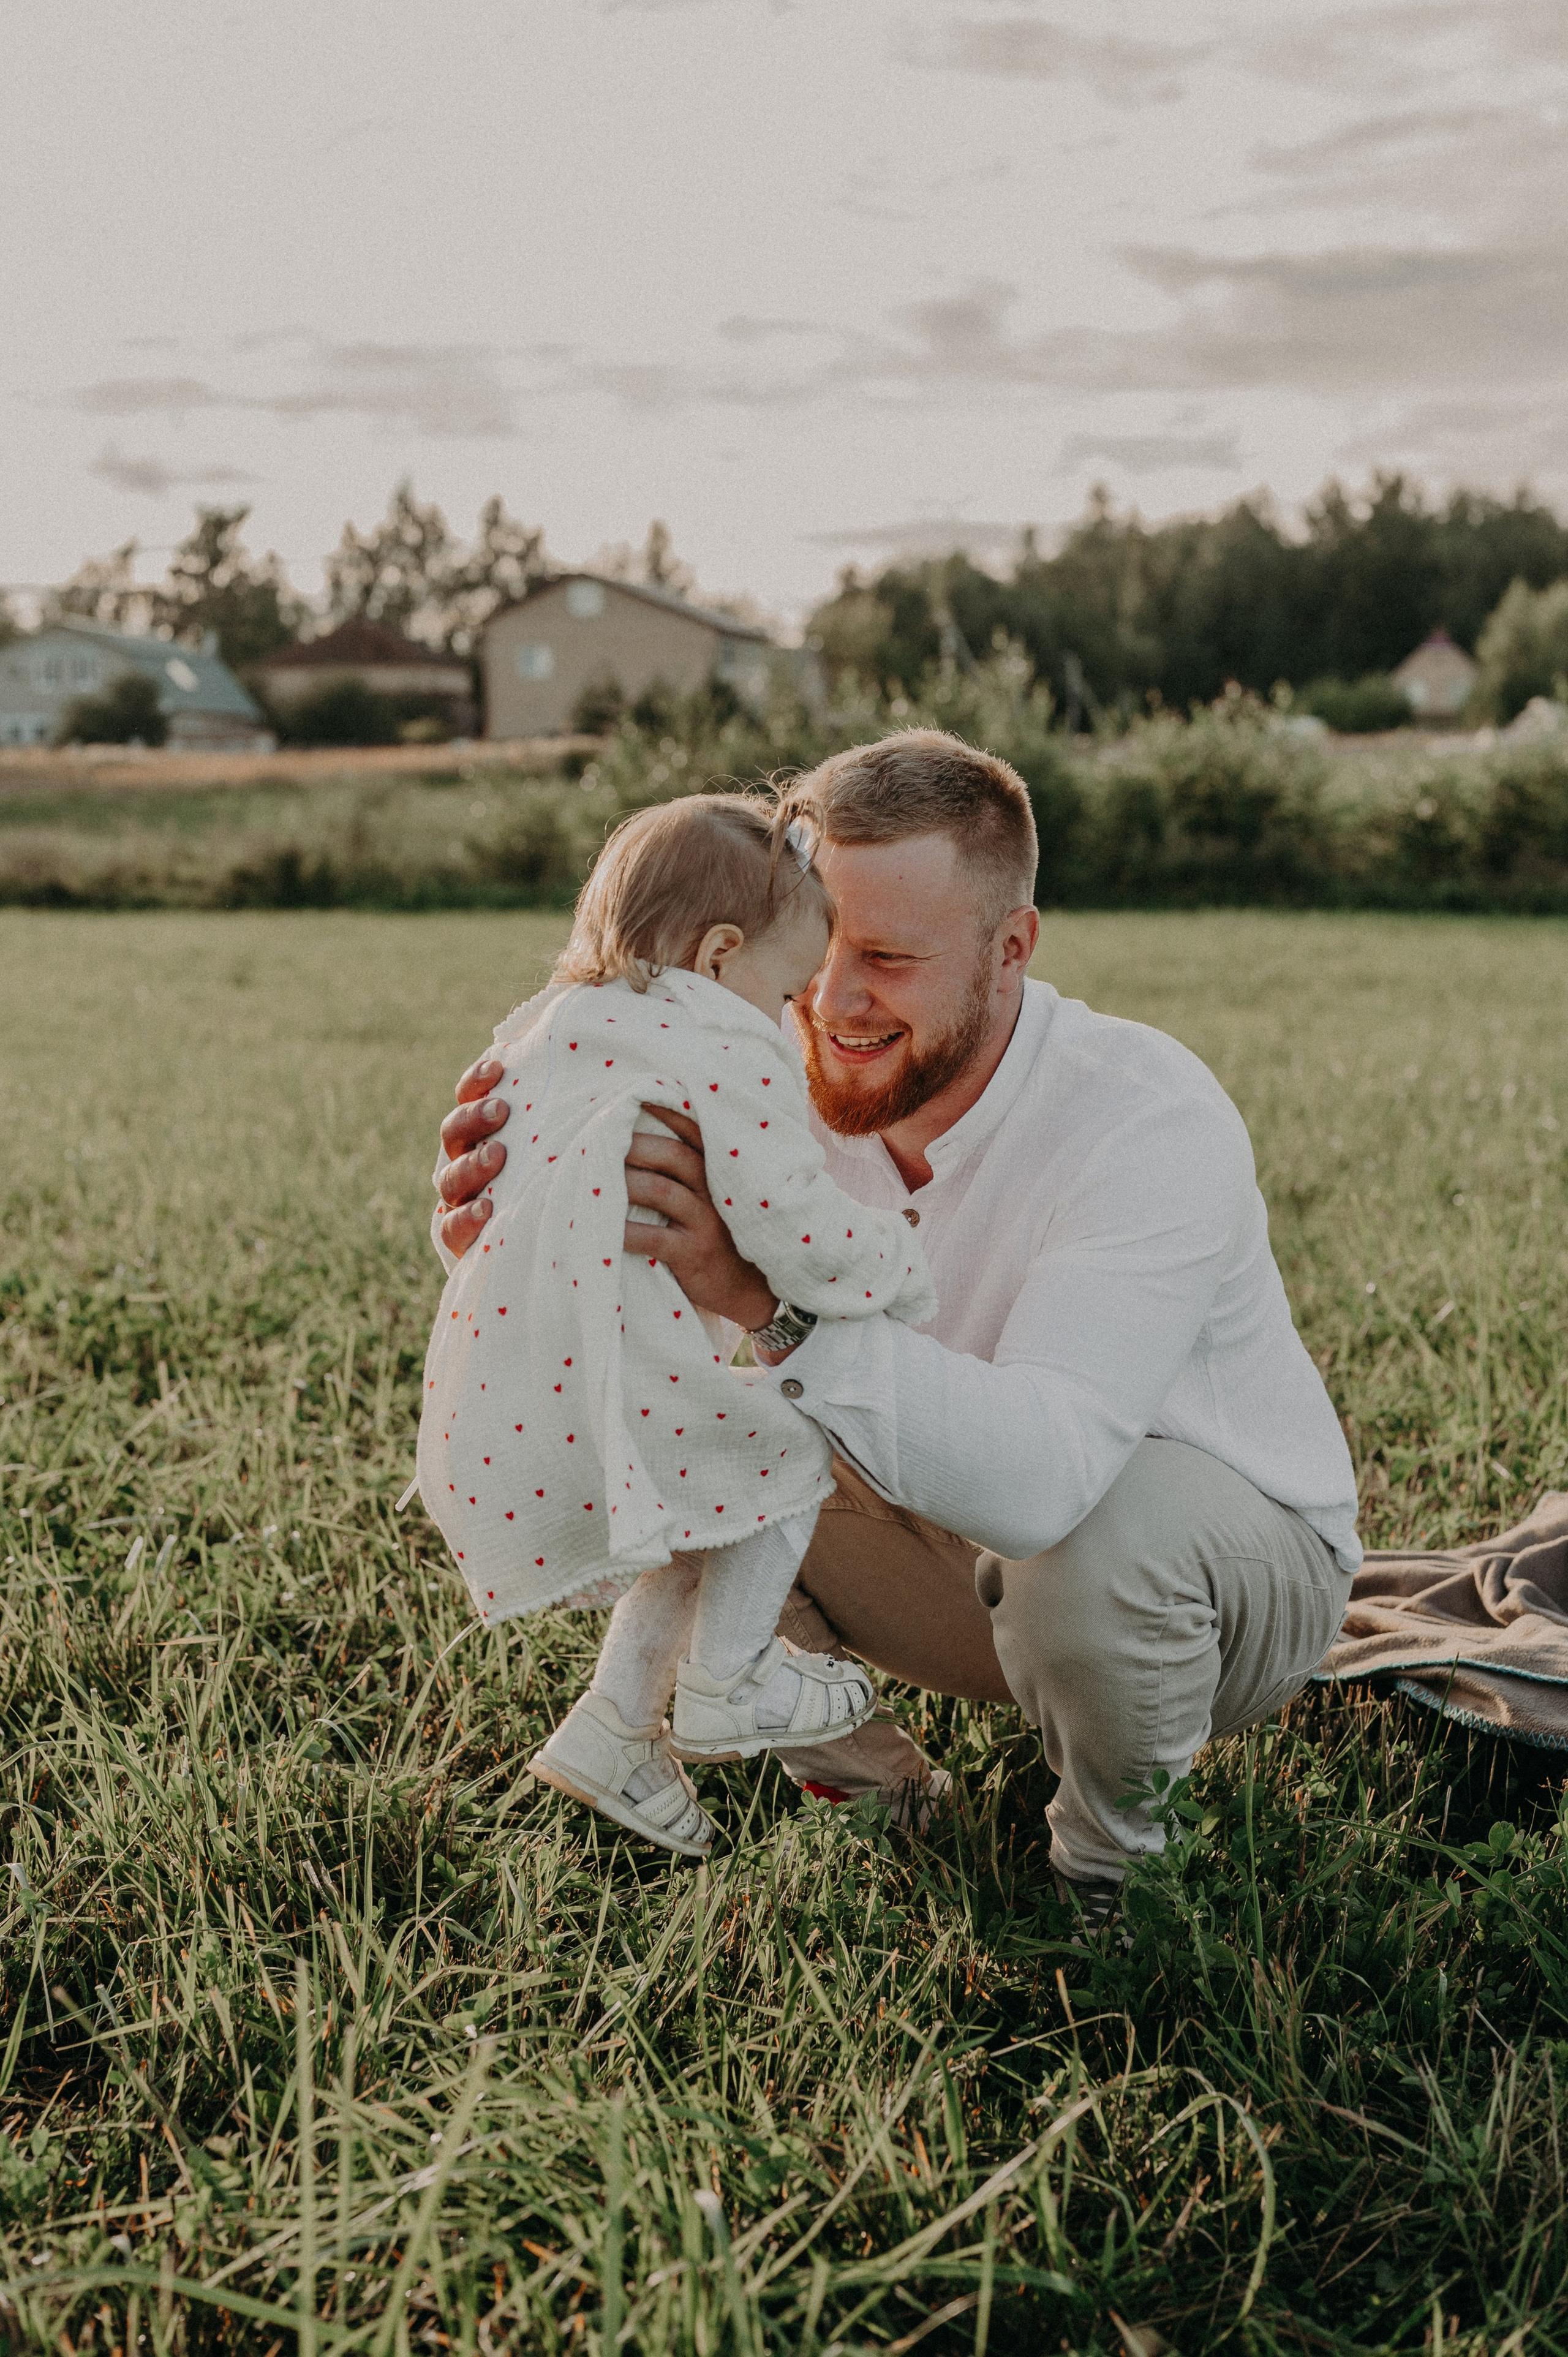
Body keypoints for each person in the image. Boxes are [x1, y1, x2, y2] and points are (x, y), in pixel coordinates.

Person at [435, 730, 1360, 1923]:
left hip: (1213, 1576)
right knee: (711, 1428)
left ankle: (1110, 1874)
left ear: (1008, 948)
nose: (829, 1001)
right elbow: (630, 1307)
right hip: (945, 1540)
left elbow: (1040, 1484)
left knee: (1094, 1532)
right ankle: (877, 1797)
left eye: (884, 958)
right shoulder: (750, 1064)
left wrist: (758, 1302)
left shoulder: (1144, 1116)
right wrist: (521, 1221)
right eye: (816, 951)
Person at [419, 793, 934, 1858]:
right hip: (618, 1367)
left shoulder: (542, 1025)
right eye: (789, 990)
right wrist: (899, 1260)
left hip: (515, 1378)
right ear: (721, 954)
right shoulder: (720, 1039)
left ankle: (613, 1733)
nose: (795, 1017)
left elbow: (484, 1194)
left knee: (698, 1519)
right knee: (789, 1448)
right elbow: (787, 1220)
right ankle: (729, 1683)